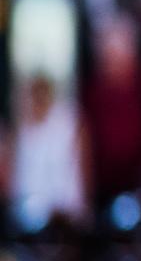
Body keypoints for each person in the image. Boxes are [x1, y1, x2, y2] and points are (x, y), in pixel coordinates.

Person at [80, 14, 141, 210]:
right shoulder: (91, 91)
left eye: (116, 50)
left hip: (139, 189)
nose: (110, 56)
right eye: (106, 49)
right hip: (100, 189)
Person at [8, 74, 87, 227]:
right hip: (27, 216)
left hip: (66, 212)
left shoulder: (68, 123)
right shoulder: (21, 130)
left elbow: (80, 169)